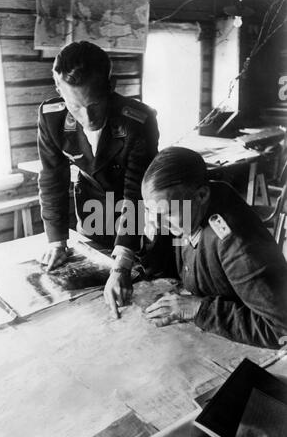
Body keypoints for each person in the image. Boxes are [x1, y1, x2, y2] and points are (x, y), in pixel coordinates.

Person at [37, 41, 159, 316]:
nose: (88, 117)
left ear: (110, 85)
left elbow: (135, 193)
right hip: (92, 205)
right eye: (75, 106)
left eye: (94, 104)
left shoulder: (139, 120)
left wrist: (123, 260)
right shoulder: (51, 117)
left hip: (135, 211)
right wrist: (57, 241)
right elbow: (52, 179)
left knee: (139, 284)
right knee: (91, 297)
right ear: (58, 89)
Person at [141, 147, 287, 349]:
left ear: (201, 195)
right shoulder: (188, 209)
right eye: (150, 211)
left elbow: (281, 330)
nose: (157, 223)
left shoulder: (237, 244)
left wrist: (198, 309)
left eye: (167, 213)